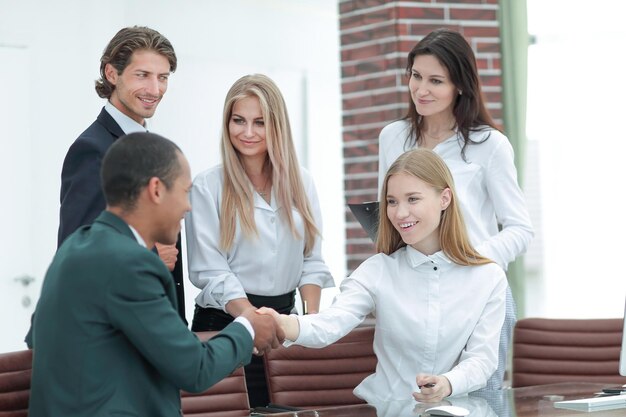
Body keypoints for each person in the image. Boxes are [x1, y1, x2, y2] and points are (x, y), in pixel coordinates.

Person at [28, 132, 284, 417]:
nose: (188, 207)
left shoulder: (76, 248)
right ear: (157, 190)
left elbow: (42, 339)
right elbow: (195, 368)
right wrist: (248, 328)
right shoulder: (128, 264)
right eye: (185, 192)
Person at [259, 149, 507, 403]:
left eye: (412, 199)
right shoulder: (377, 270)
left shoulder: (488, 278)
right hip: (388, 409)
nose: (399, 214)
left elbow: (482, 359)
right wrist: (282, 323)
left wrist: (448, 383)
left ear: (444, 199)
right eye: (392, 201)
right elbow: (331, 323)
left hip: (454, 408)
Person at [377, 28, 533, 389]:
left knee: (481, 394)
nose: (421, 89)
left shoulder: (489, 145)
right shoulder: (392, 137)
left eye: (436, 80)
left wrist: (470, 257)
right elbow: (388, 214)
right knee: (415, 393)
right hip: (413, 293)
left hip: (476, 293)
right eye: (416, 76)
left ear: (460, 85)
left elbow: (520, 230)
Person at [185, 74, 334, 406]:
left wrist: (309, 322)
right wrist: (252, 320)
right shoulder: (207, 186)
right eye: (238, 120)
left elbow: (312, 261)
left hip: (285, 329)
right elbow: (211, 271)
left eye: (259, 122)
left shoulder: (302, 182)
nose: (247, 132)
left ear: (276, 126)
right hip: (225, 327)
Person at [56, 25, 186, 321]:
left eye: (162, 77)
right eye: (142, 75)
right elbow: (76, 258)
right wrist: (152, 257)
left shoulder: (156, 148)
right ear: (112, 74)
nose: (155, 90)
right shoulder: (93, 150)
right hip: (118, 337)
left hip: (159, 330)